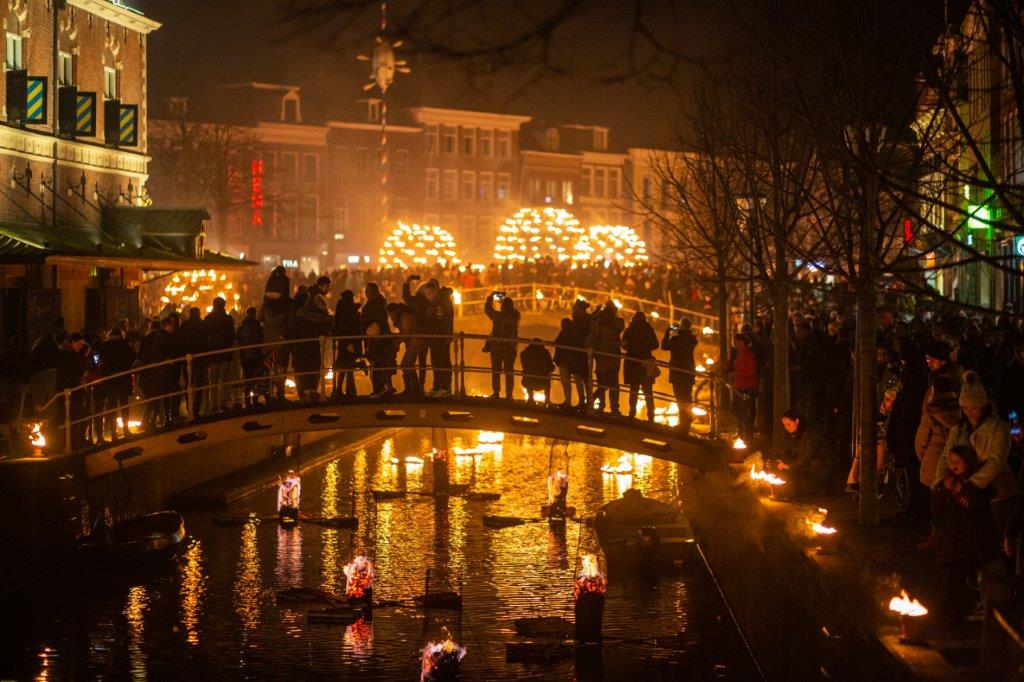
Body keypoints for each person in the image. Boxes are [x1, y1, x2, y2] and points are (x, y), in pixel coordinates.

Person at [932, 444, 998, 626]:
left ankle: (959, 616)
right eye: (951, 462)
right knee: (951, 581)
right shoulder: (946, 482)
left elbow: (979, 509)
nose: (953, 466)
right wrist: (944, 490)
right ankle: (951, 617)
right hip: (951, 542)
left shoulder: (977, 484)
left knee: (964, 582)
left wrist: (963, 493)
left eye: (957, 462)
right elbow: (937, 511)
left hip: (970, 542)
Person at [258, 268, 294, 402]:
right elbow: (291, 323)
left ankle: (266, 392)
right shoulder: (288, 303)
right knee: (282, 367)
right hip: (282, 340)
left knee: (267, 365)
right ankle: (280, 393)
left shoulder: (266, 303)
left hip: (268, 340)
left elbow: (259, 318)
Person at [294, 275, 333, 398]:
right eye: (326, 286)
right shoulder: (314, 297)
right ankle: (310, 391)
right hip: (311, 337)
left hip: (305, 338)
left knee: (307, 365)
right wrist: (327, 319)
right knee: (313, 364)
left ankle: (307, 391)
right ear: (321, 285)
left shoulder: (313, 295)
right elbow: (313, 314)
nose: (328, 289)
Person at [774, 409, 826, 496]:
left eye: (789, 424)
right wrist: (780, 459)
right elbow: (790, 449)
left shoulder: (810, 433)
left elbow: (808, 455)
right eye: (784, 425)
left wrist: (789, 466)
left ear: (797, 421)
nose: (786, 428)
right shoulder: (793, 433)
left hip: (817, 468)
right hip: (805, 465)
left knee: (802, 485)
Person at [96, 327, 135, 440]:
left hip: (110, 379)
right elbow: (131, 358)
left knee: (112, 406)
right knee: (124, 405)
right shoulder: (124, 344)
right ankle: (126, 430)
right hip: (123, 378)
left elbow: (95, 356)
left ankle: (113, 433)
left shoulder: (104, 346)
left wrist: (100, 367)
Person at [622, 311, 659, 421]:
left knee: (634, 390)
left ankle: (632, 413)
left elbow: (624, 345)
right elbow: (656, 344)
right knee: (648, 391)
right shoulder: (649, 330)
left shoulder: (630, 330)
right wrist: (645, 349)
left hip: (632, 363)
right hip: (646, 363)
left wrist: (632, 349)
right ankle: (651, 415)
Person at [483, 291, 520, 400]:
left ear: (502, 306)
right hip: (510, 348)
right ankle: (509, 394)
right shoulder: (516, 317)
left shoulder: (497, 316)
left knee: (496, 371)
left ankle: (496, 393)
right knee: (509, 372)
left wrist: (492, 296)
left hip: (497, 348)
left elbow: (487, 309)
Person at [588, 302, 623, 415]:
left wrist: (597, 312)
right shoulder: (613, 325)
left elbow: (591, 322)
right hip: (611, 359)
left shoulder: (598, 323)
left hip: (602, 358)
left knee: (602, 383)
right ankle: (612, 407)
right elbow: (611, 342)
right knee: (612, 384)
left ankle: (599, 404)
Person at [362, 282, 395, 397]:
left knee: (376, 363)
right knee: (381, 363)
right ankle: (384, 387)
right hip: (381, 338)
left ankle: (379, 389)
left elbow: (369, 321)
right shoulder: (380, 303)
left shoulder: (372, 305)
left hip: (375, 339)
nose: (365, 291)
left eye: (367, 289)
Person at [203, 296, 236, 413]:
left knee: (213, 380)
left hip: (212, 354)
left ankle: (213, 406)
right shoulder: (228, 319)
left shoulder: (208, 319)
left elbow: (204, 336)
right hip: (225, 353)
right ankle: (221, 404)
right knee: (223, 379)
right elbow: (232, 335)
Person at [662, 318, 698, 419]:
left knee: (679, 398)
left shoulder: (675, 340)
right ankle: (687, 422)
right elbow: (691, 339)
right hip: (688, 372)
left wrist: (667, 333)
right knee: (687, 397)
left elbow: (664, 346)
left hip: (677, 372)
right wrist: (682, 331)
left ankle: (683, 422)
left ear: (681, 326)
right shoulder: (692, 340)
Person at [332, 289, 362, 399]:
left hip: (343, 341)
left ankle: (339, 390)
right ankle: (349, 391)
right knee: (348, 366)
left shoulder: (341, 310)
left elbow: (339, 326)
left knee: (344, 366)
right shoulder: (350, 312)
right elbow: (351, 327)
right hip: (351, 341)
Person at [727, 333, 758, 442]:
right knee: (736, 410)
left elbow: (751, 372)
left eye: (735, 342)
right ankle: (742, 432)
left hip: (748, 387)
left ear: (741, 342)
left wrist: (736, 374)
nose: (733, 344)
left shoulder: (748, 355)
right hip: (739, 387)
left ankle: (747, 434)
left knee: (742, 411)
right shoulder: (739, 353)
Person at [387, 301, 422, 396]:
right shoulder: (402, 317)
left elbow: (405, 333)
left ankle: (410, 388)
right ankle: (416, 388)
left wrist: (397, 342)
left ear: (394, 311)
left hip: (414, 343)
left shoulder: (404, 317)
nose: (389, 316)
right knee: (409, 365)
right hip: (413, 343)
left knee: (405, 364)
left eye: (390, 313)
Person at [566, 300, 593, 408]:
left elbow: (574, 336)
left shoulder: (578, 320)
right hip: (582, 351)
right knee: (585, 377)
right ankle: (587, 401)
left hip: (578, 351)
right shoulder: (589, 319)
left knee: (579, 377)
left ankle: (583, 401)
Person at [236, 307, 265, 406]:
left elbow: (239, 340)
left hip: (245, 356)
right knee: (256, 377)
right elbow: (261, 339)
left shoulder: (241, 328)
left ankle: (247, 400)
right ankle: (255, 399)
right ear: (255, 314)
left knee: (247, 377)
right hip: (256, 355)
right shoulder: (258, 328)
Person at [520, 337, 554, 404]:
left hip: (528, 382)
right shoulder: (545, 353)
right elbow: (551, 368)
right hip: (543, 382)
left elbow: (524, 366)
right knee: (548, 375)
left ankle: (530, 398)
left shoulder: (524, 353)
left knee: (527, 373)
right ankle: (547, 399)